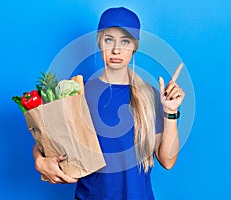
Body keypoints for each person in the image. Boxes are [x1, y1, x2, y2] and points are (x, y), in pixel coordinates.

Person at [33, 7, 185, 200]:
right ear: (99, 42)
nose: (116, 49)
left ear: (134, 47)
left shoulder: (150, 96)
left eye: (125, 41)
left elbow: (168, 160)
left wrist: (170, 112)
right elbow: (47, 139)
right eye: (109, 40)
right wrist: (39, 161)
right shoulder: (78, 91)